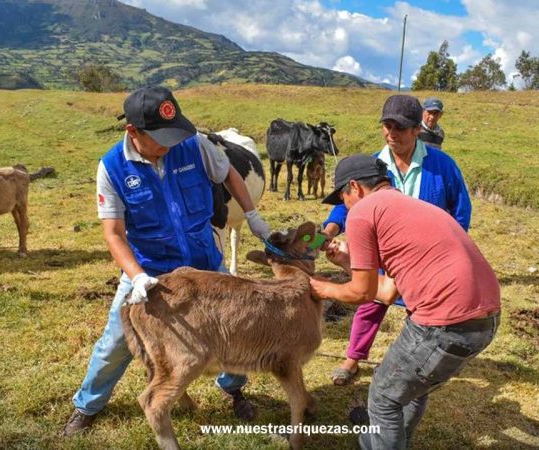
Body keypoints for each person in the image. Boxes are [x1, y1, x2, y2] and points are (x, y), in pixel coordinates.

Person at [62, 86, 272, 436]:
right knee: (116, 342)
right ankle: (87, 405)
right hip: (150, 270)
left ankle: (233, 388)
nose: (171, 145)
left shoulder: (195, 145)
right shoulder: (112, 168)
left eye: (174, 135)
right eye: (161, 138)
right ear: (133, 131)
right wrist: (137, 276)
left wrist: (252, 214)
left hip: (204, 263)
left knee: (234, 327)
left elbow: (228, 174)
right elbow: (114, 234)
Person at [310, 154, 500, 450]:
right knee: (410, 388)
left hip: (445, 321)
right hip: (485, 320)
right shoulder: (412, 208)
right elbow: (386, 292)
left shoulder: (362, 212)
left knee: (383, 396)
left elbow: (361, 293)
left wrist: (322, 288)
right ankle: (391, 441)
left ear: (355, 187)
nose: (344, 207)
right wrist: (348, 262)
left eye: (343, 199)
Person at [321, 94, 471, 385]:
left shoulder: (442, 166)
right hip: (383, 250)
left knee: (422, 311)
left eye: (399, 128)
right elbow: (348, 202)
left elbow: (460, 211)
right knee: (371, 301)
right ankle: (353, 358)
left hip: (426, 259)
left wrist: (448, 250)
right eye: (387, 126)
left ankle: (419, 361)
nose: (391, 134)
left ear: (417, 129)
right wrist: (330, 229)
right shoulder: (372, 165)